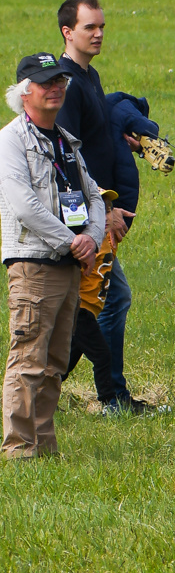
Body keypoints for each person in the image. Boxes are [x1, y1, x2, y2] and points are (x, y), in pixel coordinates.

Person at [0, 53, 107, 457]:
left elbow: (93, 194)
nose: (57, 88)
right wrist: (71, 241)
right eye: (46, 82)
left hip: (70, 264)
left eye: (60, 81)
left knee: (54, 362)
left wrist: (92, 237)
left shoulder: (63, 140)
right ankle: (18, 449)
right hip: (34, 263)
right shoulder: (10, 140)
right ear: (24, 92)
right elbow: (25, 205)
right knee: (28, 359)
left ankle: (44, 447)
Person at [55, 0, 145, 413]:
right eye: (90, 27)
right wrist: (102, 213)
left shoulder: (89, 76)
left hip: (95, 215)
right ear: (67, 32)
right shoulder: (68, 85)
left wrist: (122, 140)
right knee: (95, 306)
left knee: (96, 306)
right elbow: (69, 158)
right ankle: (110, 396)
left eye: (102, 27)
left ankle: (49, 392)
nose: (99, 34)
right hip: (84, 220)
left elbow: (94, 137)